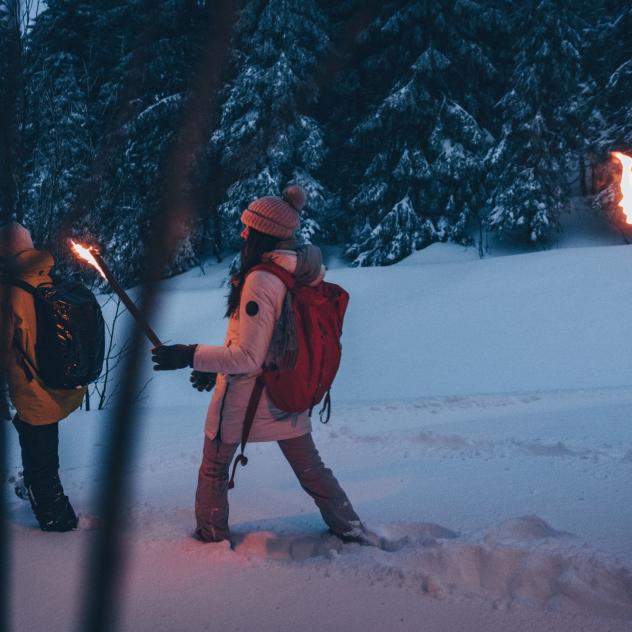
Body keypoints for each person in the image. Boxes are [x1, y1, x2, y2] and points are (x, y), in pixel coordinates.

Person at [152, 186, 373, 545]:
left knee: (213, 467)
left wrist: (189, 354)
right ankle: (350, 528)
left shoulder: (261, 280)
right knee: (311, 470)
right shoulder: (301, 270)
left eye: (249, 229)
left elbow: (248, 358)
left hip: (250, 398)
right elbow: (266, 341)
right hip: (290, 388)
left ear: (263, 234)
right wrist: (212, 366)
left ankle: (211, 537)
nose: (243, 234)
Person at [0, 222, 84, 531]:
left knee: (44, 465)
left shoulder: (10, 293)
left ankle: (58, 521)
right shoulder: (48, 279)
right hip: (59, 385)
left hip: (34, 390)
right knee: (40, 443)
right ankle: (33, 484)